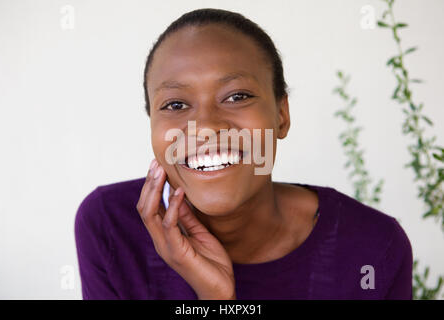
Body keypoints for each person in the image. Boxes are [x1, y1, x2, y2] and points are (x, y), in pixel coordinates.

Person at [74, 8, 413, 300]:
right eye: (175, 104)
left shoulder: (373, 248)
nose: (204, 127)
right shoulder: (109, 227)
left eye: (236, 96)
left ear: (281, 116)